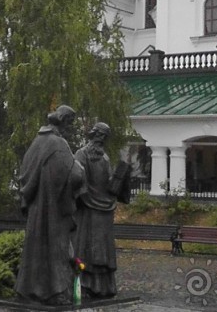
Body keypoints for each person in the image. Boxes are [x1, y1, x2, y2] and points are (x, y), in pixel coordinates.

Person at [15, 105, 85, 305]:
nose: (70, 128)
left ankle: (28, 290)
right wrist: (79, 168)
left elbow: (25, 174)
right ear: (63, 121)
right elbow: (75, 175)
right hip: (54, 212)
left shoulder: (36, 143)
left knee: (35, 249)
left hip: (37, 210)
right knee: (55, 249)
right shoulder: (58, 144)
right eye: (70, 123)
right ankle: (55, 292)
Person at [73, 122, 130, 300]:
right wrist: (85, 197)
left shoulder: (104, 156)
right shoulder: (81, 154)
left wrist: (120, 180)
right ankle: (86, 285)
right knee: (87, 248)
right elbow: (77, 179)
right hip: (89, 210)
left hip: (104, 208)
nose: (102, 139)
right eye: (100, 135)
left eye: (105, 136)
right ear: (93, 135)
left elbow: (107, 183)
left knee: (103, 250)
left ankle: (104, 287)